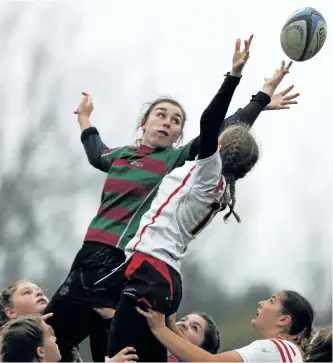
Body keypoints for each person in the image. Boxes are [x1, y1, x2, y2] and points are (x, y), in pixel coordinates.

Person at [44, 34, 299, 361]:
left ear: (181, 135)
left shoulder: (180, 162)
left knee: (46, 334)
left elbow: (219, 128)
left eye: (176, 120)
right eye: (161, 114)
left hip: (124, 258)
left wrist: (259, 99)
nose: (167, 122)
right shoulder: (124, 156)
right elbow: (97, 154)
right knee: (98, 346)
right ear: (144, 122)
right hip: (113, 260)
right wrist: (85, 121)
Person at [106, 58, 292, 361]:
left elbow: (211, 121)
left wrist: (233, 77)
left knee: (116, 355)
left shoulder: (207, 172)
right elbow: (229, 128)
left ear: (219, 148)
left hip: (151, 270)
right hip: (163, 276)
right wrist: (262, 96)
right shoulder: (219, 182)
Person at [137, 290, 314, 362]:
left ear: (283, 320)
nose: (261, 303)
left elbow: (208, 361)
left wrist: (159, 328)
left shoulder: (275, 349)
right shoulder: (284, 352)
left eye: (271, 301)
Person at [0, 280, 136, 363]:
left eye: (40, 291)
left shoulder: (63, 344)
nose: (39, 294)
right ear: (10, 312)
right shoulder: (5, 348)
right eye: (27, 292)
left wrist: (112, 320)